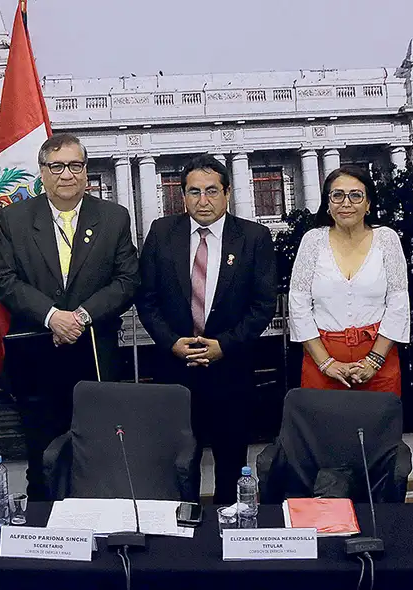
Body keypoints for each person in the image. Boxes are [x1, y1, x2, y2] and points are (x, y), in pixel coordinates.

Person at [0, 133, 139, 500]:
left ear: (86, 172)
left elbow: (128, 279)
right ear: (42, 173)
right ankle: (43, 532)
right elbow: (3, 279)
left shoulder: (113, 217)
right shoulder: (15, 218)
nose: (66, 174)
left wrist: (82, 316)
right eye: (56, 166)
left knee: (99, 447)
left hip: (95, 352)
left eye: (75, 166)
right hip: (37, 355)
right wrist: (52, 316)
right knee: (41, 453)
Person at [136, 155, 277, 504]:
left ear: (227, 192)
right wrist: (172, 343)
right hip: (175, 371)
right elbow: (146, 298)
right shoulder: (161, 233)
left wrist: (222, 346)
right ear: (182, 196)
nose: (203, 200)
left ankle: (229, 534)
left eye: (212, 191)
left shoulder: (254, 237)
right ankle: (185, 538)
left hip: (230, 371)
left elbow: (262, 306)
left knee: (231, 464)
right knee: (180, 463)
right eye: (194, 192)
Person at [289, 165, 409, 394]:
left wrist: (373, 361)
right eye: (337, 195)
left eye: (356, 195)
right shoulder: (312, 241)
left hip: (379, 360)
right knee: (324, 428)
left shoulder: (387, 239)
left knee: (378, 427)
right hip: (321, 360)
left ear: (368, 204)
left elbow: (398, 304)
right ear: (327, 203)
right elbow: (298, 306)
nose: (346, 203)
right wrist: (327, 364)